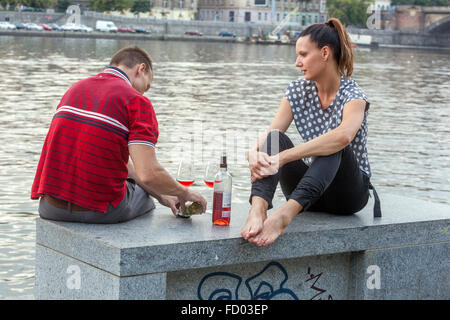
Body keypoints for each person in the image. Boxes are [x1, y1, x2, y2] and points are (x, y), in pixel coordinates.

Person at [241, 18, 381, 246]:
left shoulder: (354, 95)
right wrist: (252, 153)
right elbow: (271, 134)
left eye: (303, 55)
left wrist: (283, 157)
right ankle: (258, 209)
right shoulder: (297, 90)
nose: (298, 62)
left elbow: (343, 136)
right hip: (309, 193)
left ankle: (284, 216)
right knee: (275, 139)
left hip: (347, 196)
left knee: (334, 145)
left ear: (325, 53)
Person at [31, 45, 206, 224]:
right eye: (146, 86)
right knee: (145, 196)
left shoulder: (75, 89)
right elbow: (148, 174)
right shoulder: (136, 101)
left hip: (50, 207)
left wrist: (162, 194)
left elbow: (126, 166)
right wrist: (184, 192)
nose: (143, 92)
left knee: (143, 184)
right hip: (101, 211)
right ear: (141, 69)